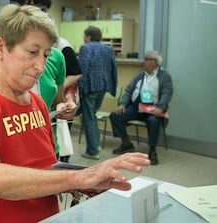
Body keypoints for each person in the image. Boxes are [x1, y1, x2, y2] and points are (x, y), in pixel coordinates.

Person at [0, 4, 151, 223]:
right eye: (32, 52)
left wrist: (82, 182)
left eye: (46, 55)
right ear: (0, 48)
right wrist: (79, 177)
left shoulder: (36, 102)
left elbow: (45, 166)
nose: (40, 66)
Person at [0, 0, 76, 158]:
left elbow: (56, 102)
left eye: (42, 10)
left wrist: (63, 108)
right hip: (5, 152)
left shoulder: (56, 57)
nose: (39, 66)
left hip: (45, 148)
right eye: (28, 9)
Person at [110, 50, 173, 165]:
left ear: (155, 62)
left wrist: (160, 107)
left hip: (153, 109)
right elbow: (129, 91)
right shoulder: (140, 75)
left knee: (154, 122)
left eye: (147, 59)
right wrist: (123, 104)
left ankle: (152, 151)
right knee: (115, 115)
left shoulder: (164, 77)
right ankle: (126, 143)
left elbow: (166, 93)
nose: (143, 62)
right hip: (136, 107)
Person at [77, 25, 117, 160]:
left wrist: (80, 90)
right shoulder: (108, 49)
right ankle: (95, 145)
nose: (83, 38)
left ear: (88, 36)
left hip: (90, 87)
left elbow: (83, 69)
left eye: (84, 35)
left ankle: (93, 151)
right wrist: (112, 85)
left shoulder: (85, 48)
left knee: (89, 119)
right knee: (92, 116)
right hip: (103, 87)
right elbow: (113, 68)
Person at [56, 37, 81, 162]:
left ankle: (64, 160)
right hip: (57, 95)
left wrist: (59, 87)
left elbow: (76, 73)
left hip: (65, 96)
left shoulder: (64, 49)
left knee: (63, 131)